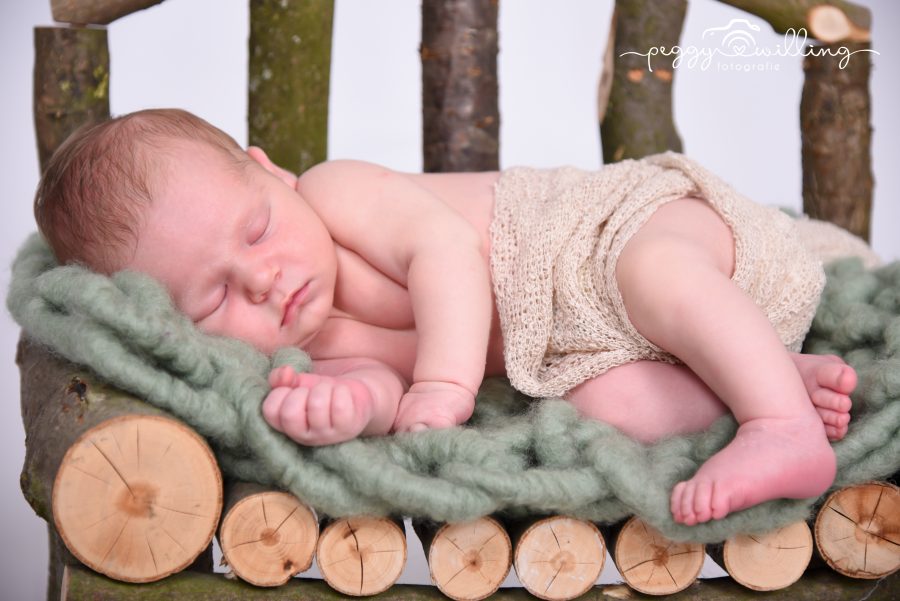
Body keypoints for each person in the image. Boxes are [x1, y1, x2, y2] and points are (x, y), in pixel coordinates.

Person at [34, 108, 856, 526]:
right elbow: (389, 397)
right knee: (614, 408)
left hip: (621, 233)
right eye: (212, 297)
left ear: (272, 174)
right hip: (590, 344)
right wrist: (347, 404)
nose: (262, 279)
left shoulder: (335, 192)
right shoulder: (305, 345)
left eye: (255, 230)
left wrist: (445, 381)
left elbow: (447, 254)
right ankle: (764, 370)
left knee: (655, 271)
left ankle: (782, 426)